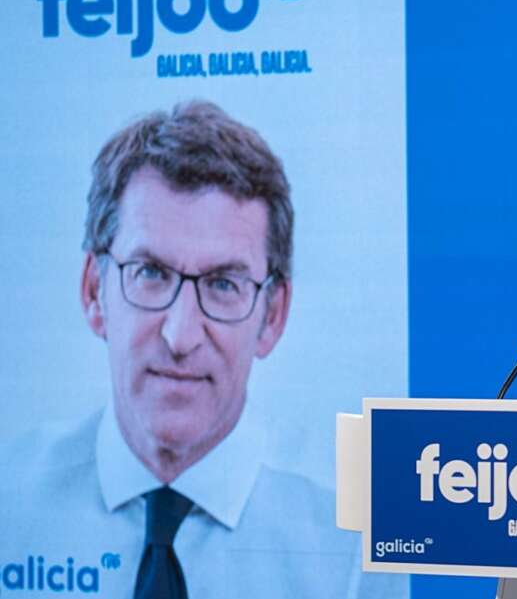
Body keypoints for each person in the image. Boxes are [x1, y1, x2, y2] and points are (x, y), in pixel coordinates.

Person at [0, 102, 401, 598]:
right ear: (92, 292)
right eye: (149, 273)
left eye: (222, 284)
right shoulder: (8, 504)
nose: (181, 335)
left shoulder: (356, 545)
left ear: (272, 315)